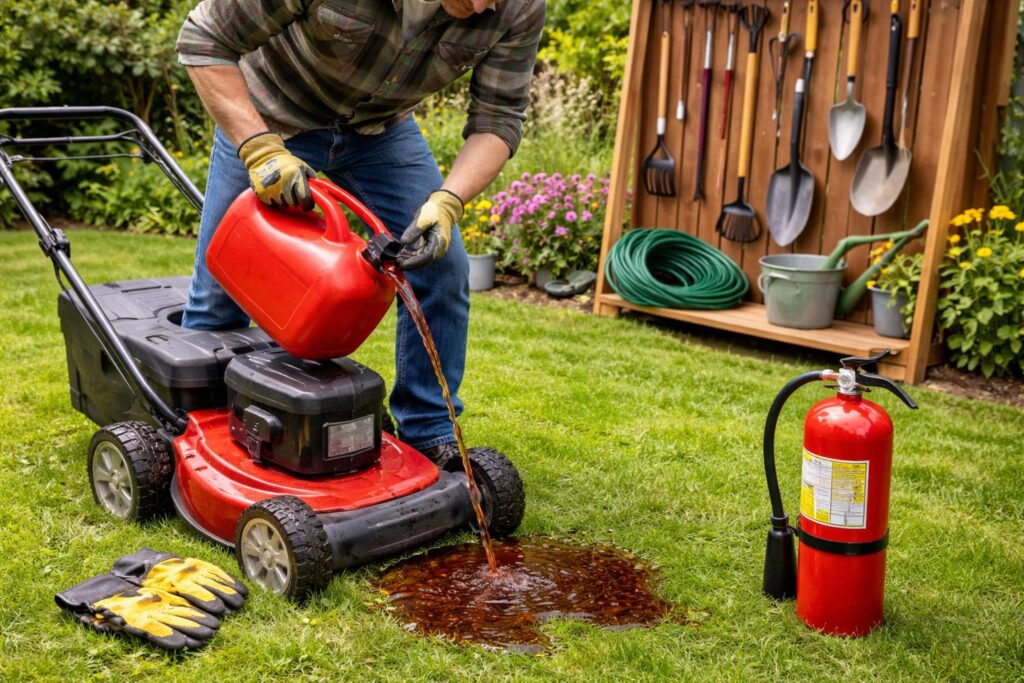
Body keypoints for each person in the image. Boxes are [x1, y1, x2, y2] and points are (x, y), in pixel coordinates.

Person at [175, 0, 544, 465]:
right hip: (271, 116)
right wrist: (260, 150)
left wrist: (448, 201)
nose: (486, 5)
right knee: (223, 286)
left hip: (379, 134)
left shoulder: (518, 7)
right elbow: (204, 38)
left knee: (441, 267)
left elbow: (499, 117)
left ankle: (428, 431)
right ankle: (194, 436)